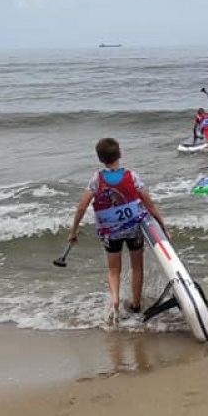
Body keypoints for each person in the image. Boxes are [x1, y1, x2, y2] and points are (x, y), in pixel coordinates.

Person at [68, 137, 168, 326]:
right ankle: (136, 304)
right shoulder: (132, 176)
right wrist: (162, 224)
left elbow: (81, 207)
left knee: (114, 269)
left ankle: (114, 300)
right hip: (132, 229)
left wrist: (73, 231)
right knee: (136, 266)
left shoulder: (96, 179)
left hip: (110, 232)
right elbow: (148, 203)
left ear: (100, 159)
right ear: (119, 154)